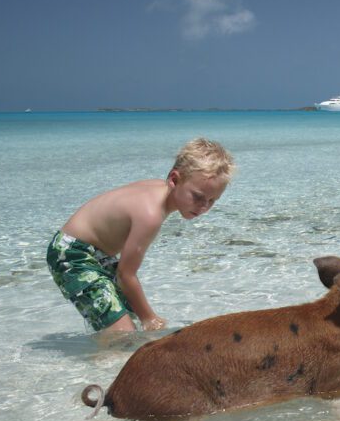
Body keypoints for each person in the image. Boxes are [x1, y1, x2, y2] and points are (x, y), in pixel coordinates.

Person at [47, 138, 235, 335]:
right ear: (174, 179)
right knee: (123, 333)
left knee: (127, 317)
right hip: (71, 254)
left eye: (212, 200)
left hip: (94, 253)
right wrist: (150, 318)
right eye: (197, 196)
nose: (204, 206)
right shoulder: (150, 215)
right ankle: (104, 362)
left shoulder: (159, 189)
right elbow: (125, 275)